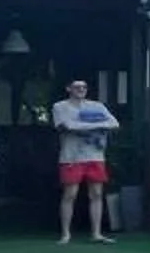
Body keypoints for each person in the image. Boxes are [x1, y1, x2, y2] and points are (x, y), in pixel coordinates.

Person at [50, 79, 119, 244]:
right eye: (77, 87)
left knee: (96, 194)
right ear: (68, 89)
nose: (81, 89)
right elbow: (67, 126)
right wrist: (96, 125)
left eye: (84, 87)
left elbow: (114, 123)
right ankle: (66, 234)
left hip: (95, 155)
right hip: (71, 156)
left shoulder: (97, 106)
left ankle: (96, 233)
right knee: (70, 194)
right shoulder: (60, 107)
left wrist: (83, 125)